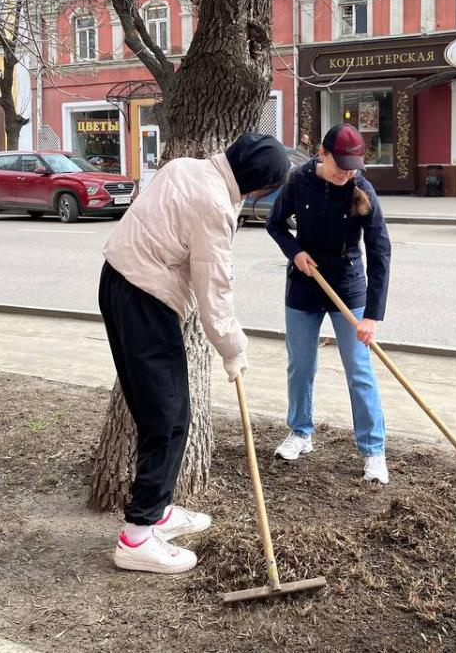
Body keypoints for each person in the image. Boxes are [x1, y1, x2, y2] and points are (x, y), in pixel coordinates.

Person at [100, 133, 289, 574]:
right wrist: (232, 348)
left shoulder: (185, 166)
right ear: (256, 183)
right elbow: (214, 289)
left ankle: (159, 509)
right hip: (144, 297)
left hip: (118, 283)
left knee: (168, 412)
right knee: (166, 418)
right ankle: (137, 535)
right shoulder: (215, 205)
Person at [266, 124, 393, 484]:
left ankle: (373, 451)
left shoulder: (362, 189)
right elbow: (275, 224)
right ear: (322, 155)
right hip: (305, 286)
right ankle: (301, 432)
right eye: (341, 165)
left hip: (347, 287)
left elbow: (381, 252)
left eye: (353, 166)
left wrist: (372, 315)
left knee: (359, 371)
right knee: (301, 366)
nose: (347, 173)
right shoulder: (298, 180)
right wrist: (296, 253)